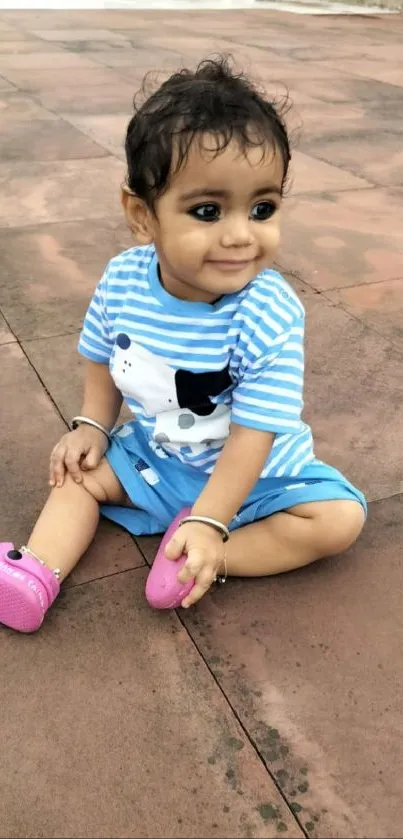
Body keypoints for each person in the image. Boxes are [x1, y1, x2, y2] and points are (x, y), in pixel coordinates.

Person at [0, 57, 366, 633]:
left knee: (338, 519)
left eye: (262, 208)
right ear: (142, 216)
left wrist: (215, 520)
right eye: (207, 211)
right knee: (77, 474)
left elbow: (254, 433)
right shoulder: (123, 280)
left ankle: (209, 557)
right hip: (157, 458)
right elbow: (99, 356)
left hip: (256, 474)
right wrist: (93, 426)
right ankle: (35, 573)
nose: (241, 234)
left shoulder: (268, 312)